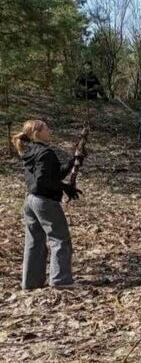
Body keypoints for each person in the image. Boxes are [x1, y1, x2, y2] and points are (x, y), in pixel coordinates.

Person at [11, 120, 83, 289]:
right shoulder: (45, 153)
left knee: (34, 241)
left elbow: (54, 175)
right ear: (37, 133)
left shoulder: (31, 152)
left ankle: (31, 282)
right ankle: (61, 280)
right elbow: (42, 182)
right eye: (46, 128)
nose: (49, 130)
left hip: (30, 202)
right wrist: (64, 187)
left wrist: (74, 161)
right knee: (60, 239)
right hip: (44, 202)